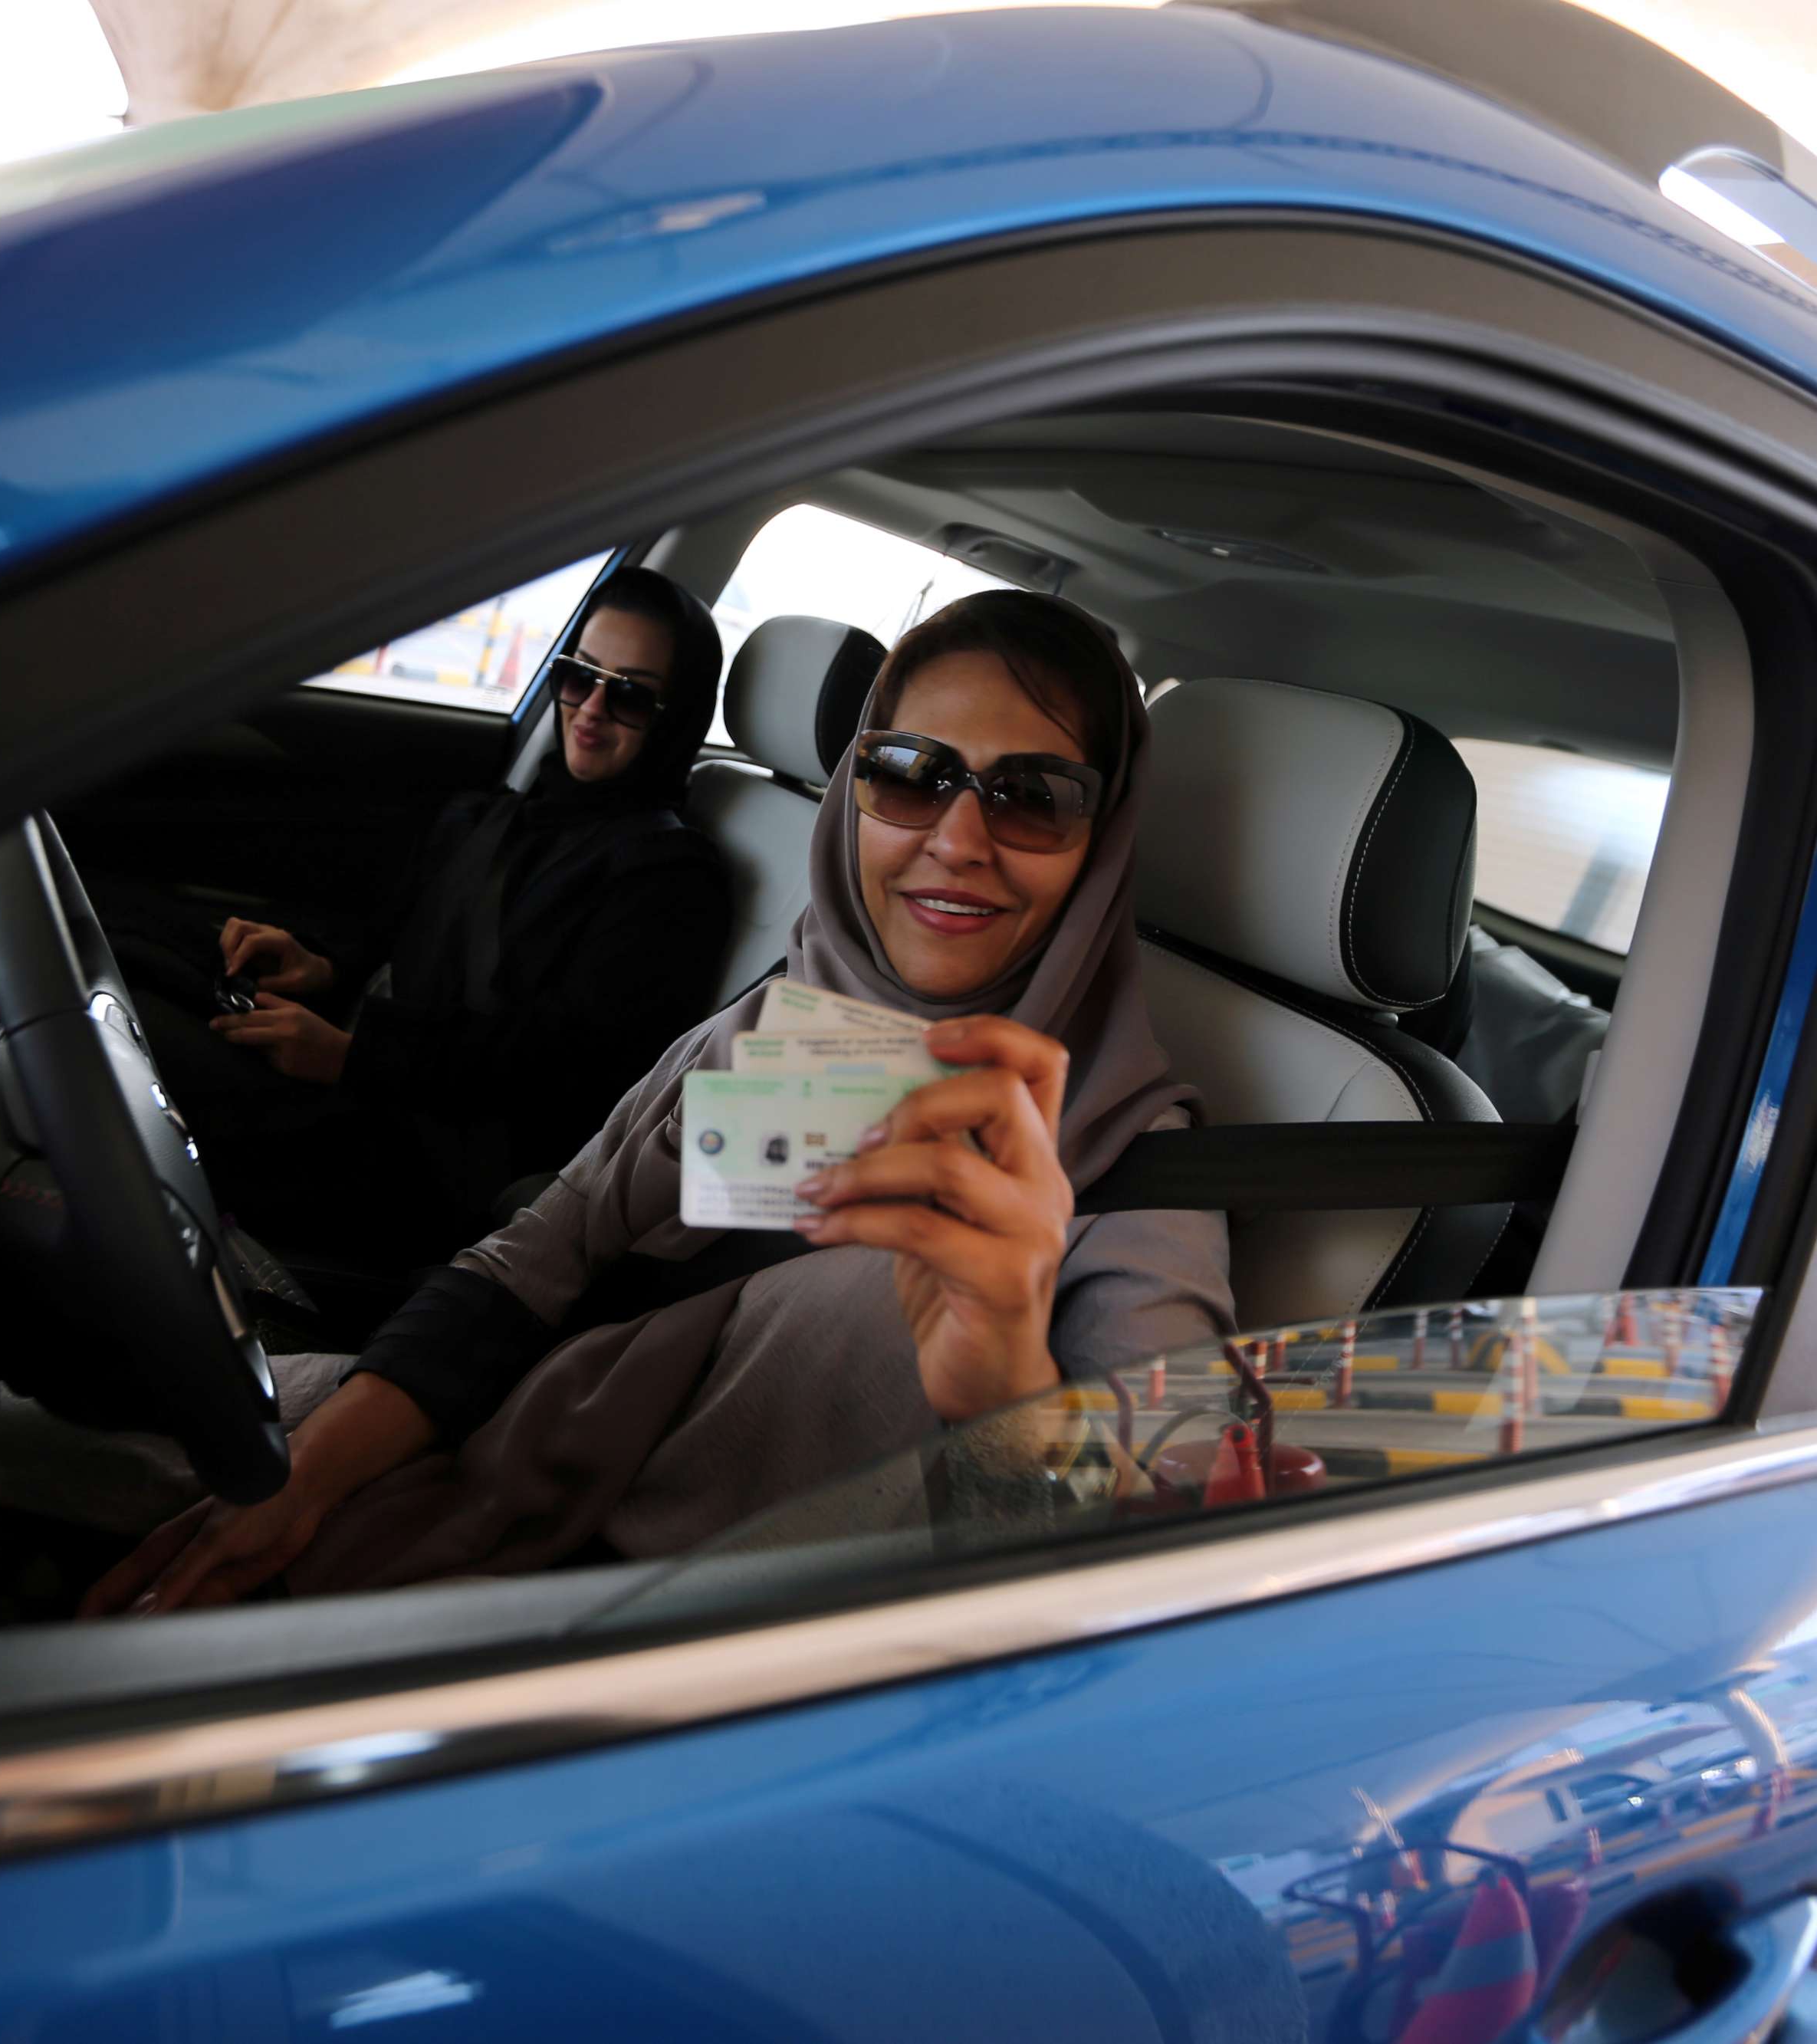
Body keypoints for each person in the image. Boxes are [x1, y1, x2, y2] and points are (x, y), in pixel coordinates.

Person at [89, 590, 1236, 1615]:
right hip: (502, 1454)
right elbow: (541, 1255)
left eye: (1032, 795)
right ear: (855, 789)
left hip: (667, 1639)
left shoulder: (1124, 1166)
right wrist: (310, 1483)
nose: (958, 838)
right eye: (911, 771)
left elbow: (1156, 1583)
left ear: (1101, 844)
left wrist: (1001, 1383)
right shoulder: (781, 1020)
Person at [146, 566, 731, 1270]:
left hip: (432, 1147)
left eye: (630, 694)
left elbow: (572, 1065)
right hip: (375, 1076)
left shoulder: (669, 878)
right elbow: (411, 942)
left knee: (150, 1083)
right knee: (146, 972)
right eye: (580, 674)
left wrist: (353, 1058)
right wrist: (324, 967)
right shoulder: (507, 813)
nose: (591, 708)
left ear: (679, 716)